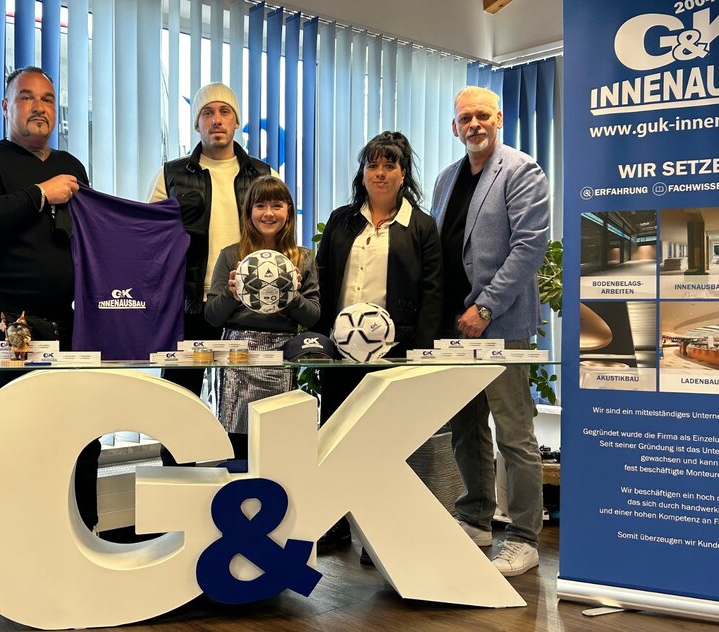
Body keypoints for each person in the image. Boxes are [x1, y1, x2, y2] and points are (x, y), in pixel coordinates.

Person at [0, 66, 102, 532]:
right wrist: (41, 193)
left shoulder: (72, 165)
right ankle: (12, 542)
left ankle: (82, 538)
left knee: (80, 437)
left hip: (65, 320)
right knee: (15, 436)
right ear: (5, 107)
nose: (39, 107)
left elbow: (91, 236)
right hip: (2, 321)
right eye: (26, 97)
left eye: (48, 99)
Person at [431, 86, 550, 576]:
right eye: (465, 118)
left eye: (482, 115)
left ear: (498, 119)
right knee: (466, 427)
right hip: (455, 327)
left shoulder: (521, 170)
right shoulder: (446, 178)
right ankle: (475, 518)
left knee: (514, 432)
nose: (474, 124)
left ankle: (523, 537)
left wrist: (484, 307)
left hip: (499, 323)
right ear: (454, 127)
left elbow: (529, 247)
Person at [314, 131, 443, 563]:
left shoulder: (421, 226)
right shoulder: (341, 220)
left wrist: (421, 356)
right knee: (336, 437)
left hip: (394, 354)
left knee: (386, 445)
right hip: (339, 353)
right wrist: (318, 343)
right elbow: (322, 283)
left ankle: (378, 531)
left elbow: (432, 294)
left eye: (390, 165)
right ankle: (334, 522)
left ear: (403, 173)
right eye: (373, 165)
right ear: (363, 172)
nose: (381, 173)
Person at [147, 82, 274, 464]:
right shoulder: (171, 174)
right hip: (188, 305)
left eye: (224, 112)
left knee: (244, 403)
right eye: (207, 112)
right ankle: (174, 480)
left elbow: (279, 233)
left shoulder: (262, 173)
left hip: (246, 307)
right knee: (179, 399)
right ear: (197, 124)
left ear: (236, 122)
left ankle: (242, 483)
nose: (216, 119)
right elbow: (150, 235)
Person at [204, 176, 320, 460]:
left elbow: (314, 317)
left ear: (289, 212)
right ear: (248, 212)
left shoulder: (303, 258)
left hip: (281, 355)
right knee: (236, 446)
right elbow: (212, 317)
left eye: (277, 205)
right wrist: (232, 293)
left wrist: (291, 294)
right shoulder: (231, 255)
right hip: (236, 356)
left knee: (277, 446)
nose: (268, 213)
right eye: (260, 205)